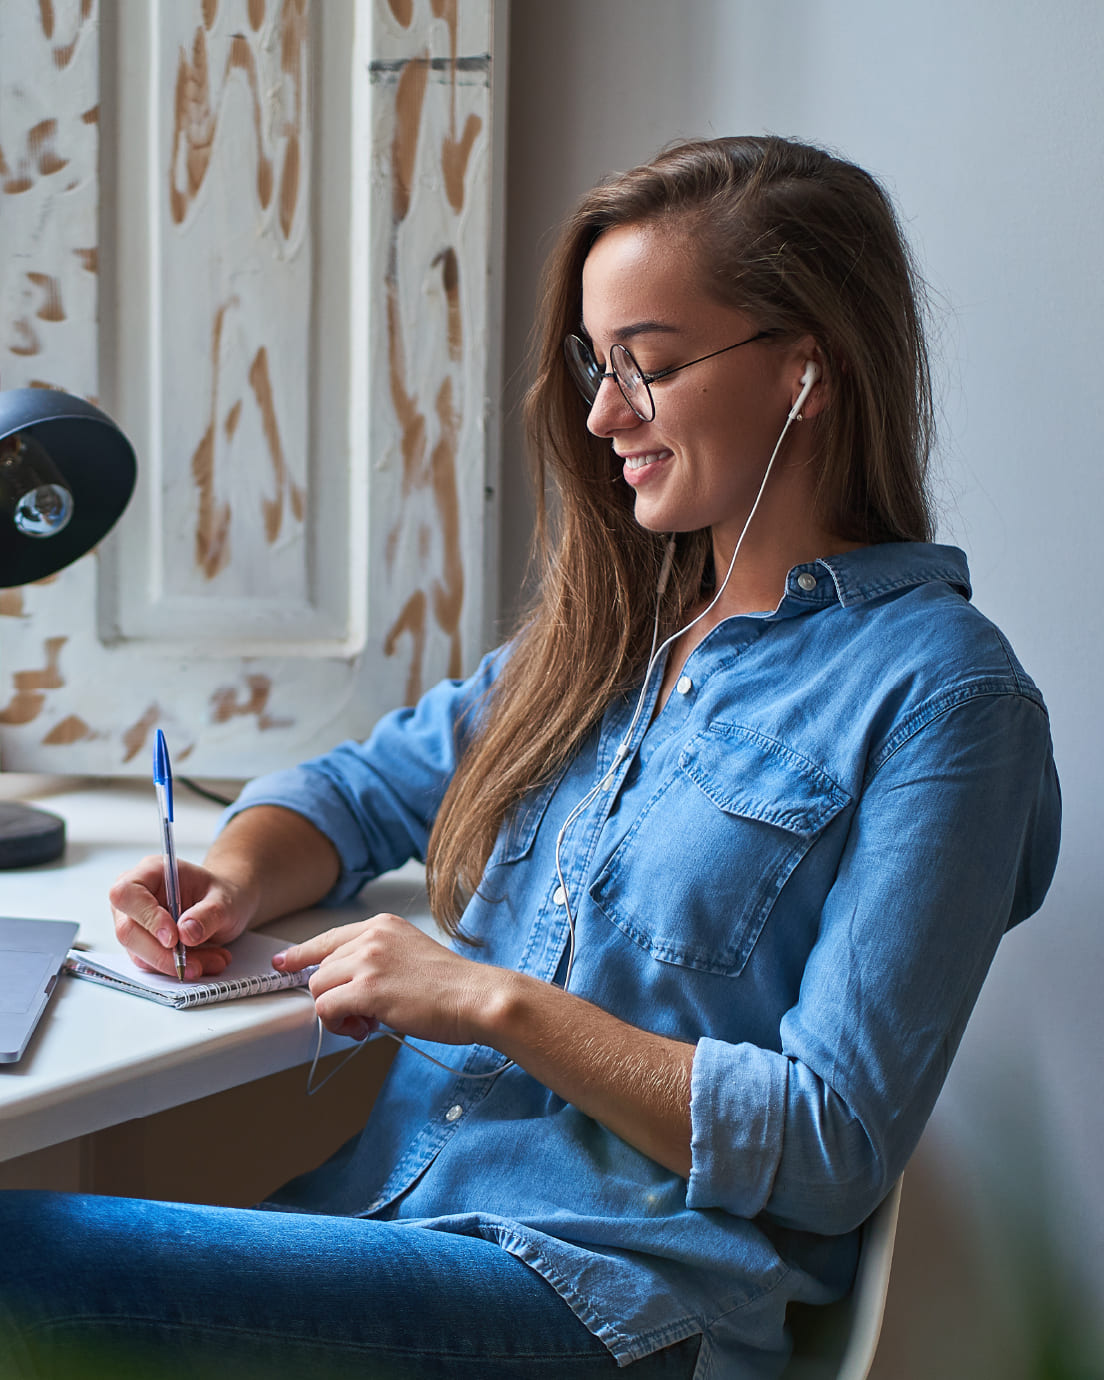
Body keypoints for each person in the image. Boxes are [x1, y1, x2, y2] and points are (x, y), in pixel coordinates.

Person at [0, 136, 1060, 1380]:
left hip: (615, 1305)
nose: (606, 415)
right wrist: (230, 877)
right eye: (596, 368)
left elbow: (829, 1145)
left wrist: (487, 1000)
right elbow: (353, 789)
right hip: (381, 1220)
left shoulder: (948, 698)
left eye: (650, 368)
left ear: (806, 370)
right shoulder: (606, 642)